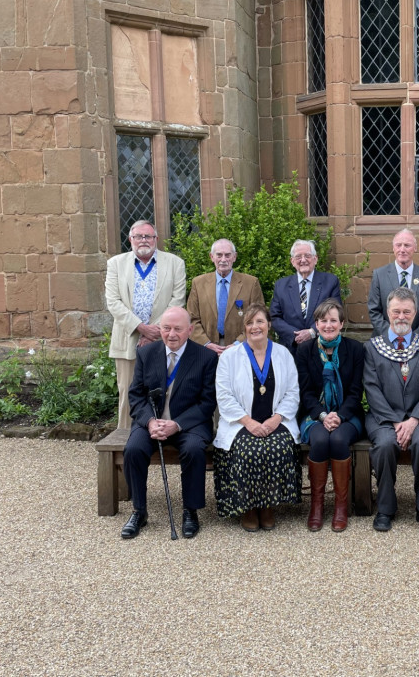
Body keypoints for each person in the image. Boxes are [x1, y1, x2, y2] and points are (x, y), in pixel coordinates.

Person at [120, 306, 218, 540]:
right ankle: (139, 510)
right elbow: (135, 396)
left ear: (190, 330)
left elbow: (207, 402)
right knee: (133, 449)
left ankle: (190, 511)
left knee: (194, 450)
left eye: (177, 329)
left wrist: (177, 424)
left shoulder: (206, 357)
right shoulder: (147, 353)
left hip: (189, 424)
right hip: (152, 422)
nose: (171, 334)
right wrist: (150, 421)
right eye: (166, 328)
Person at [213, 303, 301, 531]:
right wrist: (248, 422)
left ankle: (268, 506)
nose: (255, 327)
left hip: (276, 420)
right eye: (250, 323)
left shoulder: (283, 354)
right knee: (247, 449)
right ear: (245, 327)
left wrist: (276, 419)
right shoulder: (229, 357)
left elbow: (293, 392)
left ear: (269, 324)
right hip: (241, 422)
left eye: (260, 321)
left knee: (278, 446)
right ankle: (248, 507)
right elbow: (224, 396)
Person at [363, 288, 419, 533]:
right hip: (383, 418)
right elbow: (371, 389)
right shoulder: (372, 347)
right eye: (396, 311)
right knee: (385, 445)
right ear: (387, 312)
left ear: (415, 313)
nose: (401, 316)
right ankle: (386, 508)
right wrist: (398, 421)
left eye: (406, 311)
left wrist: (413, 420)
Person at [105, 220, 187, 433]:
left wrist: (156, 331)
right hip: (127, 338)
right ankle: (125, 438)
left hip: (165, 339)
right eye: (138, 236)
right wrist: (141, 328)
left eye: (148, 236)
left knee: (165, 390)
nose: (143, 240)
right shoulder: (116, 263)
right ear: (130, 239)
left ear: (156, 239)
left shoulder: (175, 263)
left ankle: (164, 435)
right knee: (127, 391)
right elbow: (113, 301)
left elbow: (178, 300)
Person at [295, 299, 365, 532]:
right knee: (321, 439)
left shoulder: (354, 349)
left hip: (348, 414)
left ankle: (340, 506)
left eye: (333, 320)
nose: (328, 325)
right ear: (316, 324)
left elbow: (356, 392)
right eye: (323, 320)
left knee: (337, 439)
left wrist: (339, 416)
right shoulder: (304, 350)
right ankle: (316, 505)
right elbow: (305, 392)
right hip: (314, 414)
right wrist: (323, 415)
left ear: (342, 324)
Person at [185, 238, 265, 355]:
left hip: (242, 349)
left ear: (234, 257)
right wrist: (206, 343)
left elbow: (259, 319)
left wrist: (238, 344)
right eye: (219, 255)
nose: (223, 259)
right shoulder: (198, 283)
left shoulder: (251, 283)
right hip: (206, 349)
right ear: (212, 257)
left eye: (228, 255)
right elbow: (191, 319)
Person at [269, 239, 342, 353]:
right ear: (292, 261)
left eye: (307, 255)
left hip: (322, 346)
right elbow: (275, 317)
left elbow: (335, 312)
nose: (303, 260)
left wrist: (311, 332)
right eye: (298, 257)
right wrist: (296, 336)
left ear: (315, 259)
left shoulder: (330, 282)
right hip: (291, 349)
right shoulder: (281, 285)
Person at [367, 229, 419, 338]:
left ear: (415, 248)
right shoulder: (379, 275)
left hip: (418, 341)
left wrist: (414, 337)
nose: (402, 249)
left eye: (407, 245)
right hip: (385, 340)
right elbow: (373, 310)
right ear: (393, 248)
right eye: (398, 245)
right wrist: (391, 335)